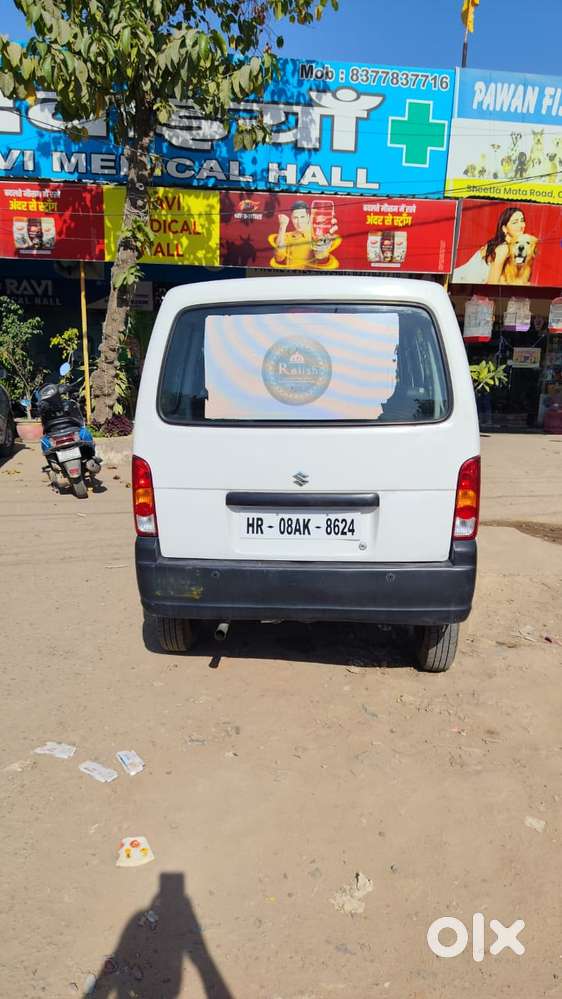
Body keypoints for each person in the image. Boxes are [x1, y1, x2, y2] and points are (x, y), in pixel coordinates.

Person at [452, 207, 536, 284]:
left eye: (522, 220)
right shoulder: (503, 248)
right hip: (458, 282)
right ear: (504, 228)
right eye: (515, 222)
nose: (521, 226)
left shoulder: (505, 245)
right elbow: (492, 283)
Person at [270, 201, 340, 269]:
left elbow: (321, 257)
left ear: (308, 217)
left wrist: (324, 239)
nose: (299, 222)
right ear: (291, 218)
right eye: (295, 218)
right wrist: (283, 226)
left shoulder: (316, 235)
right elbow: (279, 258)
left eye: (302, 217)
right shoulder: (287, 237)